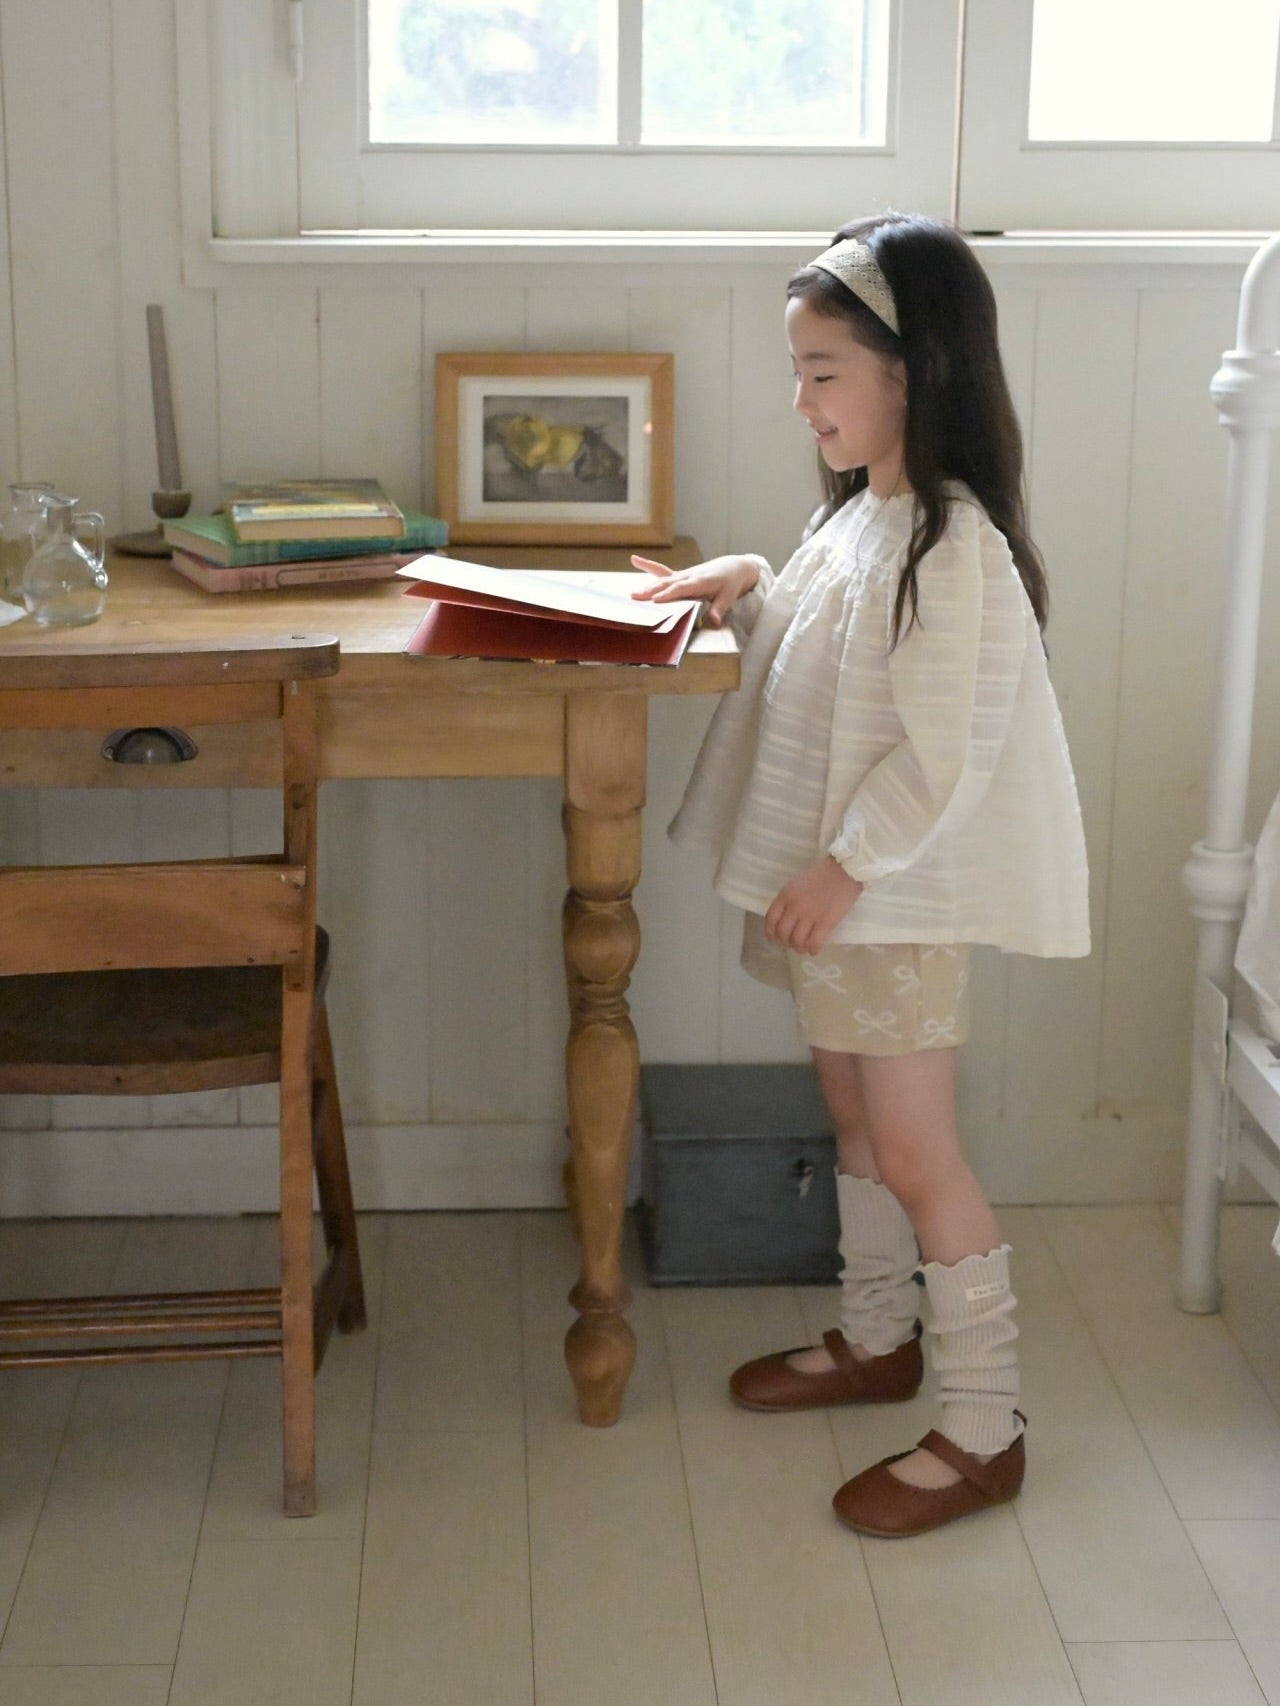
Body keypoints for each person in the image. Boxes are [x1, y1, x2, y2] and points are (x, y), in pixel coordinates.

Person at [631, 213, 1089, 1539]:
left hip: (889, 903)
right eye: (799, 369)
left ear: (913, 370)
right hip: (844, 901)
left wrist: (846, 867)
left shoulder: (956, 546)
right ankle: (880, 1338)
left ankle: (985, 1422)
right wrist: (746, 583)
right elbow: (825, 657)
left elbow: (947, 750)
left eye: (824, 370)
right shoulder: (862, 522)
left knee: (916, 1148)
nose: (802, 399)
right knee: (851, 1120)